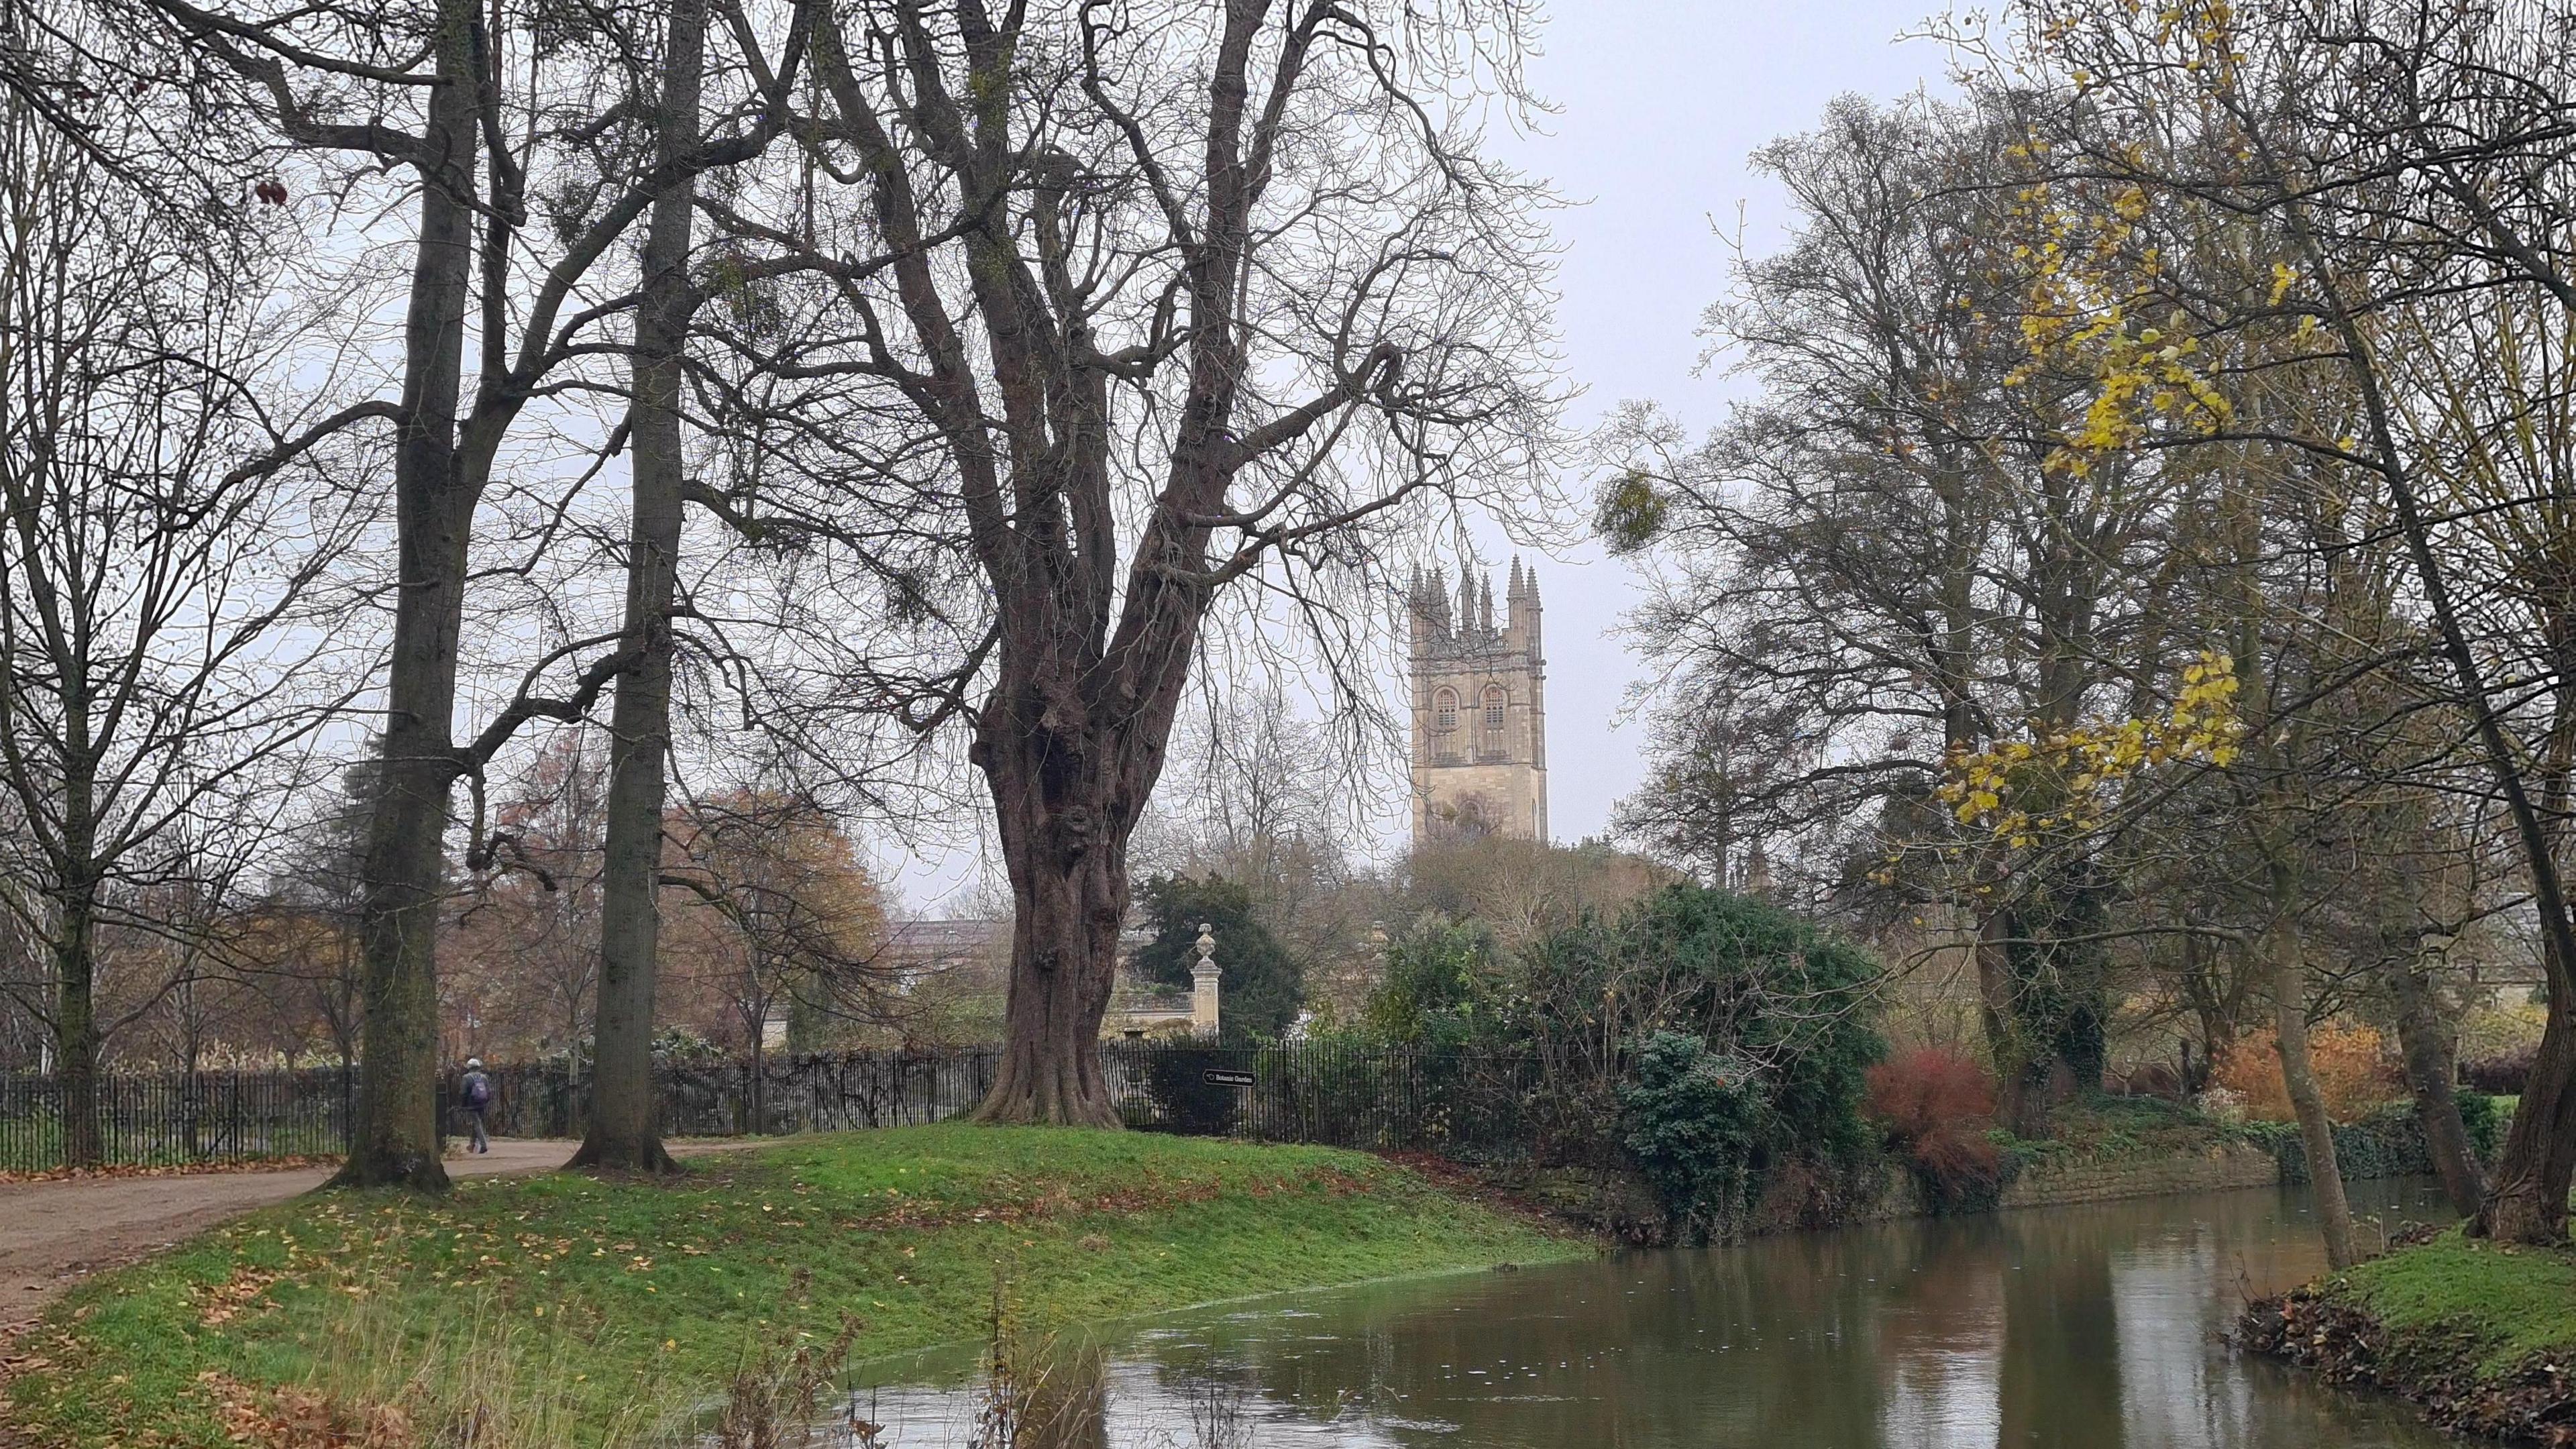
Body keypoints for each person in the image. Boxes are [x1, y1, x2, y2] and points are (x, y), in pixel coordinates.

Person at [460, 1058, 493, 1155]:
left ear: (469, 1067)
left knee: (477, 1124)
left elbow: (463, 1093)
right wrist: (486, 1102)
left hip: (471, 1105)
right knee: (476, 1124)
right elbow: (489, 1092)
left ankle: (483, 1145)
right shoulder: (484, 1078)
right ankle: (472, 1145)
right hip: (481, 1104)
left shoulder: (466, 1078)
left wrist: (463, 1105)